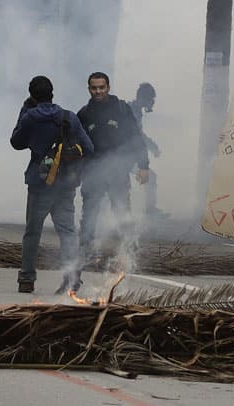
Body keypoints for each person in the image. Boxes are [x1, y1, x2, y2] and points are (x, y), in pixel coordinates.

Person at [11, 76, 94, 294]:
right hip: (66, 184)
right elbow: (89, 147)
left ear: (32, 96)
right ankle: (73, 277)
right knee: (67, 231)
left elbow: (16, 142)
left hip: (40, 184)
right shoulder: (69, 117)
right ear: (52, 93)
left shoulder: (30, 117)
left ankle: (27, 280)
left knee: (32, 232)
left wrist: (24, 111)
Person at [77, 72, 149, 262]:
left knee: (122, 211)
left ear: (108, 87)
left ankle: (129, 252)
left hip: (118, 171)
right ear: (89, 89)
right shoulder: (84, 114)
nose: (98, 91)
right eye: (94, 88)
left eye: (102, 87)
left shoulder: (121, 109)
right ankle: (84, 252)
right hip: (93, 173)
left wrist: (143, 166)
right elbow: (76, 146)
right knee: (89, 213)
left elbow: (136, 138)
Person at [128, 82, 165, 218]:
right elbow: (138, 136)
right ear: (144, 99)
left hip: (122, 156)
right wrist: (153, 147)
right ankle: (150, 211)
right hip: (122, 156)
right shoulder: (133, 111)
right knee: (150, 177)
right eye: (151, 99)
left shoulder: (134, 110)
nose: (152, 103)